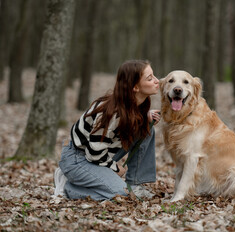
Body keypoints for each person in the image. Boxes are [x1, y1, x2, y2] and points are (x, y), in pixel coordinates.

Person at [53, 60, 161, 201]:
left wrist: (143, 117)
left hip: (97, 154)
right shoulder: (112, 113)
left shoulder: (133, 105)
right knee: (120, 194)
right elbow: (94, 153)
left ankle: (135, 183)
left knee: (146, 129)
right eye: (150, 78)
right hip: (78, 159)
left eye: (154, 76)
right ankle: (67, 187)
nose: (157, 81)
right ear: (135, 87)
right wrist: (115, 168)